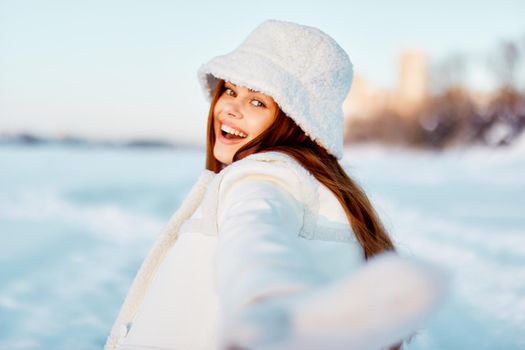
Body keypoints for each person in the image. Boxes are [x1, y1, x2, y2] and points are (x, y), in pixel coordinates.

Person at [105, 19, 447, 350]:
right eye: (230, 90)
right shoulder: (313, 181)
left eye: (257, 101)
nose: (230, 109)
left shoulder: (261, 175)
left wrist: (270, 304)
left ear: (296, 121)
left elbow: (255, 239)